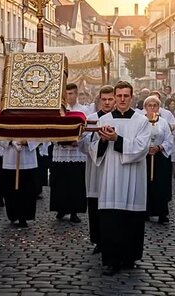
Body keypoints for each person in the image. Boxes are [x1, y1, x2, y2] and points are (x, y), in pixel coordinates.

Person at [90, 81, 150, 276]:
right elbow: (93, 150)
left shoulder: (141, 121)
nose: (122, 99)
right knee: (111, 219)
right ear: (114, 97)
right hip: (110, 176)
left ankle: (129, 257)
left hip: (133, 177)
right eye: (119, 96)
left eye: (126, 96)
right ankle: (111, 260)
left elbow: (142, 148)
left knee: (130, 218)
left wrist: (117, 140)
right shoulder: (104, 119)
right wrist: (102, 142)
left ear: (131, 97)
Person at [79, 85, 115, 254]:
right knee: (95, 204)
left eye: (110, 99)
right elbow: (83, 143)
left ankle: (110, 238)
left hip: (114, 168)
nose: (107, 103)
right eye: (104, 99)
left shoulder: (118, 119)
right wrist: (97, 143)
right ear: (99, 100)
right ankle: (98, 240)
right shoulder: (91, 118)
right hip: (95, 168)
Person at [50, 83, 88, 223]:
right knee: (59, 182)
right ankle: (61, 208)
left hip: (76, 153)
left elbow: (87, 130)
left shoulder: (84, 110)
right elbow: (51, 129)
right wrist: (58, 140)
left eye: (71, 93)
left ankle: (74, 211)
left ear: (76, 94)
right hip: (60, 152)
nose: (69, 96)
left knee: (75, 183)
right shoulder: (58, 110)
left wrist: (78, 140)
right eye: (66, 94)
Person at [143, 96, 174, 224]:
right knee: (146, 184)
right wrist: (146, 148)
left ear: (158, 107)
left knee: (160, 185)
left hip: (160, 157)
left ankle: (162, 213)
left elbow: (169, 139)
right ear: (145, 108)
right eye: (149, 105)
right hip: (145, 157)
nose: (152, 108)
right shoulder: (141, 121)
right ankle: (145, 211)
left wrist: (159, 147)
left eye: (155, 105)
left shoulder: (163, 122)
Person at [0, 140, 40, 227]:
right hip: (10, 159)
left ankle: (24, 217)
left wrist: (26, 142)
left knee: (27, 190)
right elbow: (0, 137)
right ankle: (13, 214)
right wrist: (11, 142)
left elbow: (38, 136)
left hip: (28, 159)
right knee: (11, 190)